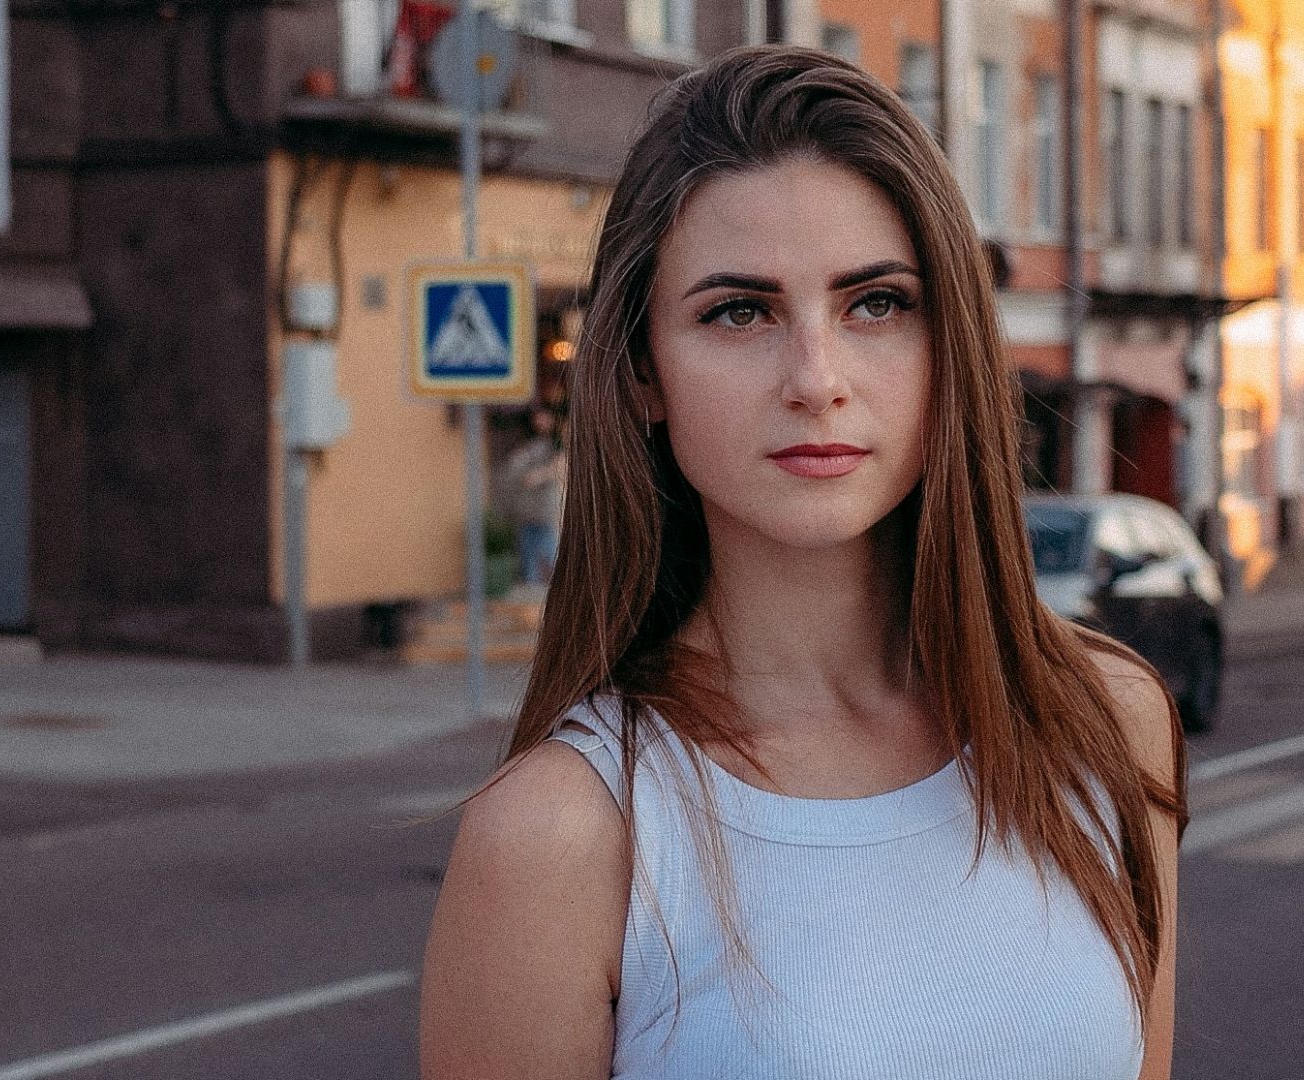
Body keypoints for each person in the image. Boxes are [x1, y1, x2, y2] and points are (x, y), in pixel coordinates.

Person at [420, 46, 1187, 1080]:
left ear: (948, 341)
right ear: (644, 372)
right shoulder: (562, 835)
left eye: (877, 303)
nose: (816, 379)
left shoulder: (1105, 724)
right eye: (740, 312)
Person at [500, 406, 567, 586]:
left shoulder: (557, 443)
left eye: (544, 417)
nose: (540, 421)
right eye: (537, 417)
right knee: (528, 552)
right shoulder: (528, 443)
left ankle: (560, 585)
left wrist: (539, 475)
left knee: (549, 548)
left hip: (544, 507)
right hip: (525, 507)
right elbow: (514, 465)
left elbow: (560, 466)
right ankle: (532, 586)